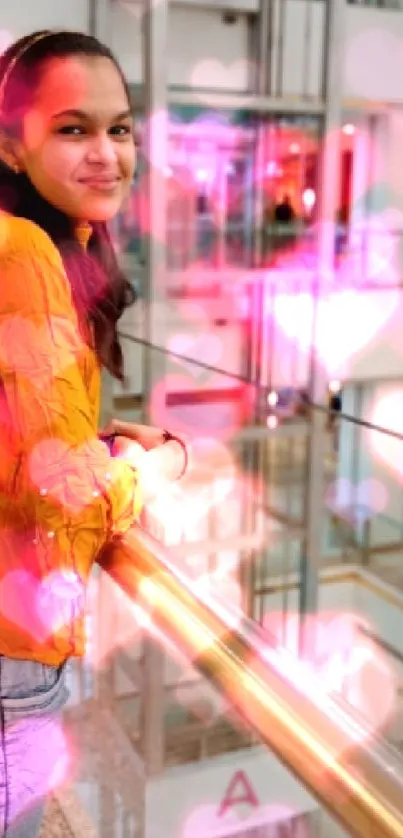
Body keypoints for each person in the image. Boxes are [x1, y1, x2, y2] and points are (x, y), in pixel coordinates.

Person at [0, 29, 186, 836]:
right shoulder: (27, 253)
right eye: (72, 129)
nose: (106, 153)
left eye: (120, 128)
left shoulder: (42, 245)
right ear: (11, 147)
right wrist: (157, 470)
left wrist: (100, 435)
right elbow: (57, 489)